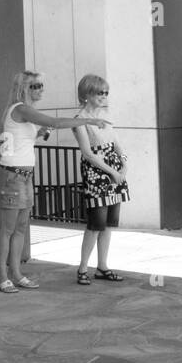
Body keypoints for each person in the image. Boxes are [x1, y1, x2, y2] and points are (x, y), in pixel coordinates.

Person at [0, 70, 109, 294]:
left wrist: (38, 134)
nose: (40, 89)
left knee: (20, 228)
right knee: (8, 229)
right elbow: (55, 122)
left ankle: (16, 273)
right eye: (35, 86)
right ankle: (2, 275)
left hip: (24, 174)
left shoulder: (25, 111)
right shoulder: (21, 108)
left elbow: (21, 137)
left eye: (41, 85)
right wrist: (89, 119)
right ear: (23, 88)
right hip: (12, 175)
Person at [73, 75, 128, 284]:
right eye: (99, 93)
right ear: (86, 95)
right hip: (96, 173)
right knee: (96, 223)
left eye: (106, 92)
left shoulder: (107, 116)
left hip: (114, 171)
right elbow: (87, 153)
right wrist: (112, 172)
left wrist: (123, 163)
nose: (104, 96)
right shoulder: (80, 120)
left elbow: (117, 145)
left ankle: (102, 266)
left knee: (109, 223)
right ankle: (82, 268)